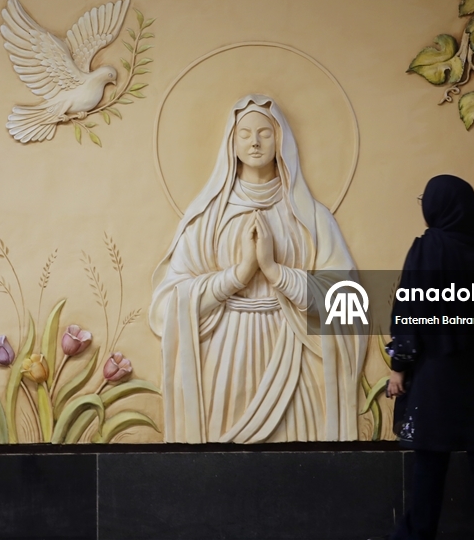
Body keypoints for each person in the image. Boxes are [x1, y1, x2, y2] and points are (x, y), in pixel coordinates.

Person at [150, 94, 366, 443]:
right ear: (231, 143)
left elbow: (346, 299)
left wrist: (275, 271)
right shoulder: (206, 219)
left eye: (265, 132)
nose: (254, 142)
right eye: (245, 133)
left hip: (291, 353)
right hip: (224, 358)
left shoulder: (310, 217)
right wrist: (237, 275)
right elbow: (167, 304)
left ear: (280, 139)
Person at [386, 175, 474, 540]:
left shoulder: (426, 248)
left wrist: (399, 366)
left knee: (430, 463)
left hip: (439, 372)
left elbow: (409, 311)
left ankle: (415, 537)